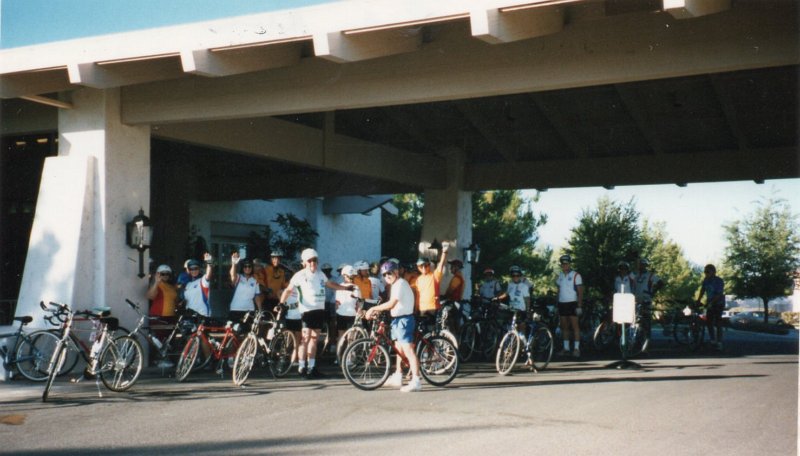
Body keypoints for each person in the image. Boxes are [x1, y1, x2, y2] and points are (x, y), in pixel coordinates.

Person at [278, 248, 354, 379]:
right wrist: (281, 303)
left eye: (315, 260)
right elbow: (288, 290)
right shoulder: (299, 275)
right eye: (310, 261)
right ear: (304, 262)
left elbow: (330, 284)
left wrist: (345, 288)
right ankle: (302, 367)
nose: (313, 263)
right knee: (305, 339)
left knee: (314, 339)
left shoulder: (320, 274)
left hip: (319, 309)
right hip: (306, 311)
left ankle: (312, 367)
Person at [365, 261, 421, 392]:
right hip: (397, 320)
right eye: (384, 275)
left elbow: (391, 304)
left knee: (408, 350)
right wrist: (378, 310)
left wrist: (373, 309)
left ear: (396, 272)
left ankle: (416, 380)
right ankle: (398, 375)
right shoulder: (395, 285)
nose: (387, 276)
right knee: (398, 350)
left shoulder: (400, 284)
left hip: (404, 320)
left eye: (389, 273)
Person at [555, 254, 583, 358]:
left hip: (572, 303)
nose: (564, 265)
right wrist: (556, 304)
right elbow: (558, 291)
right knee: (564, 327)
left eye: (566, 263)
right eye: (563, 264)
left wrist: (579, 305)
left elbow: (580, 292)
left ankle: (576, 348)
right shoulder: (560, 276)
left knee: (575, 326)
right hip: (562, 304)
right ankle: (566, 348)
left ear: (570, 264)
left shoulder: (576, 275)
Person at [414, 242, 449, 318]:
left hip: (433, 308)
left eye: (426, 265)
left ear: (429, 266)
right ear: (418, 267)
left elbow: (441, 264)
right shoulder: (418, 280)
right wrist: (415, 309)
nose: (423, 268)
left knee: (432, 328)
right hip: (422, 308)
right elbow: (417, 295)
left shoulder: (434, 275)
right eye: (421, 266)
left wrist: (444, 252)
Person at [633, 258, 664, 341]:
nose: (642, 266)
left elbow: (661, 282)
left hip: (646, 299)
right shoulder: (636, 275)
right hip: (636, 299)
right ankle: (637, 338)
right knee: (636, 319)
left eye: (643, 265)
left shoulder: (650, 275)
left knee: (646, 319)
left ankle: (646, 339)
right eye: (640, 265)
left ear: (646, 266)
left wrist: (653, 292)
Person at [228, 252, 261, 327]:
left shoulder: (255, 280)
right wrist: (233, 263)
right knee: (234, 333)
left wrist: (260, 310)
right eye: (245, 266)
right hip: (235, 309)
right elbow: (232, 274)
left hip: (249, 311)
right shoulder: (238, 277)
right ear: (242, 268)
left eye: (249, 266)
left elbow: (257, 296)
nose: (247, 268)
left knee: (247, 334)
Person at [697, 264, 725, 351]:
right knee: (709, 322)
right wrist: (698, 300)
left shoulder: (719, 281)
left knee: (717, 322)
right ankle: (712, 340)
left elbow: (719, 294)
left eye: (707, 272)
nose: (706, 273)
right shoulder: (706, 280)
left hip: (718, 303)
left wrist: (712, 302)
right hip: (710, 302)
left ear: (713, 271)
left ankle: (719, 342)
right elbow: (702, 290)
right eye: (705, 272)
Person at [334, 265, 362, 343]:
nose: (352, 278)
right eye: (351, 277)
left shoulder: (341, 287)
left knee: (347, 337)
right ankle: (341, 354)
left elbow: (359, 301)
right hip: (345, 314)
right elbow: (337, 302)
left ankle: (345, 354)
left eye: (353, 277)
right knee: (343, 336)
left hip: (348, 314)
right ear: (344, 276)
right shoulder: (355, 287)